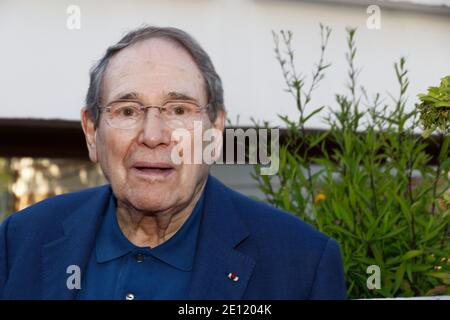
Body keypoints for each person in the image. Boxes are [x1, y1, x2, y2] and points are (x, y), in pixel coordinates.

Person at [0, 26, 346, 300]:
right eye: (127, 110)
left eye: (179, 110)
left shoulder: (301, 264)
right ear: (91, 132)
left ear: (216, 130)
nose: (153, 135)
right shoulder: (19, 243)